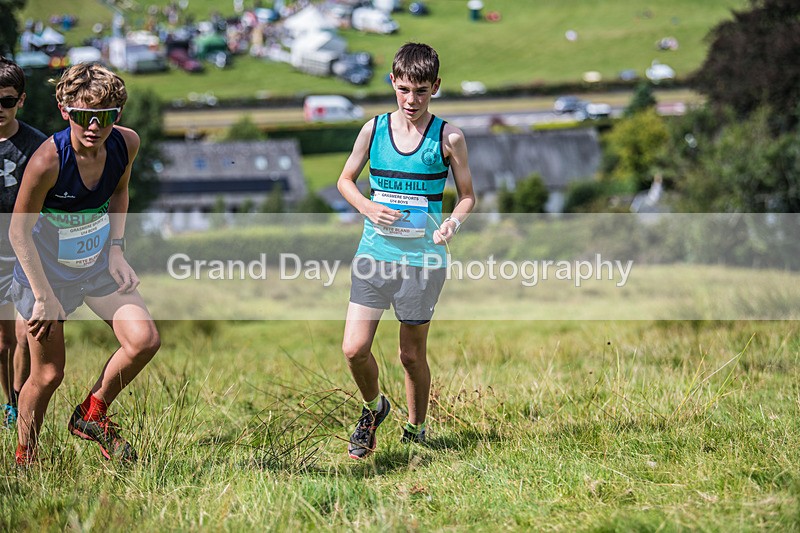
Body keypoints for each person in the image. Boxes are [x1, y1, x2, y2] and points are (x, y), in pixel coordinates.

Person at [10, 63, 161, 465]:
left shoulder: (126, 144)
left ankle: (91, 415)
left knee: (144, 340)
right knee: (48, 374)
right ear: (64, 110)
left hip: (94, 267)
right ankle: (27, 455)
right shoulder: (47, 161)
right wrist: (41, 296)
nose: (93, 126)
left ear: (118, 116)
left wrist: (116, 250)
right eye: (82, 115)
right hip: (44, 276)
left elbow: (120, 194)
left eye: (105, 116)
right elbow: (18, 233)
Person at [336, 42, 476, 459]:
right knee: (353, 348)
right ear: (392, 84)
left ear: (435, 86)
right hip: (373, 254)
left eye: (420, 91)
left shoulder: (449, 137)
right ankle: (373, 408)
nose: (411, 100)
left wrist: (451, 222)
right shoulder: (373, 130)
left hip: (422, 261)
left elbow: (467, 196)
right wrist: (367, 206)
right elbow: (345, 180)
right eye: (403, 90)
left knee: (410, 356)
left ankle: (416, 431)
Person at [0, 57, 45, 429]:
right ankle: (9, 402)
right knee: (1, 343)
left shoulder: (37, 146)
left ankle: (19, 401)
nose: (0, 109)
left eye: (7, 101)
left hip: (26, 250)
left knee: (23, 332)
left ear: (22, 100)